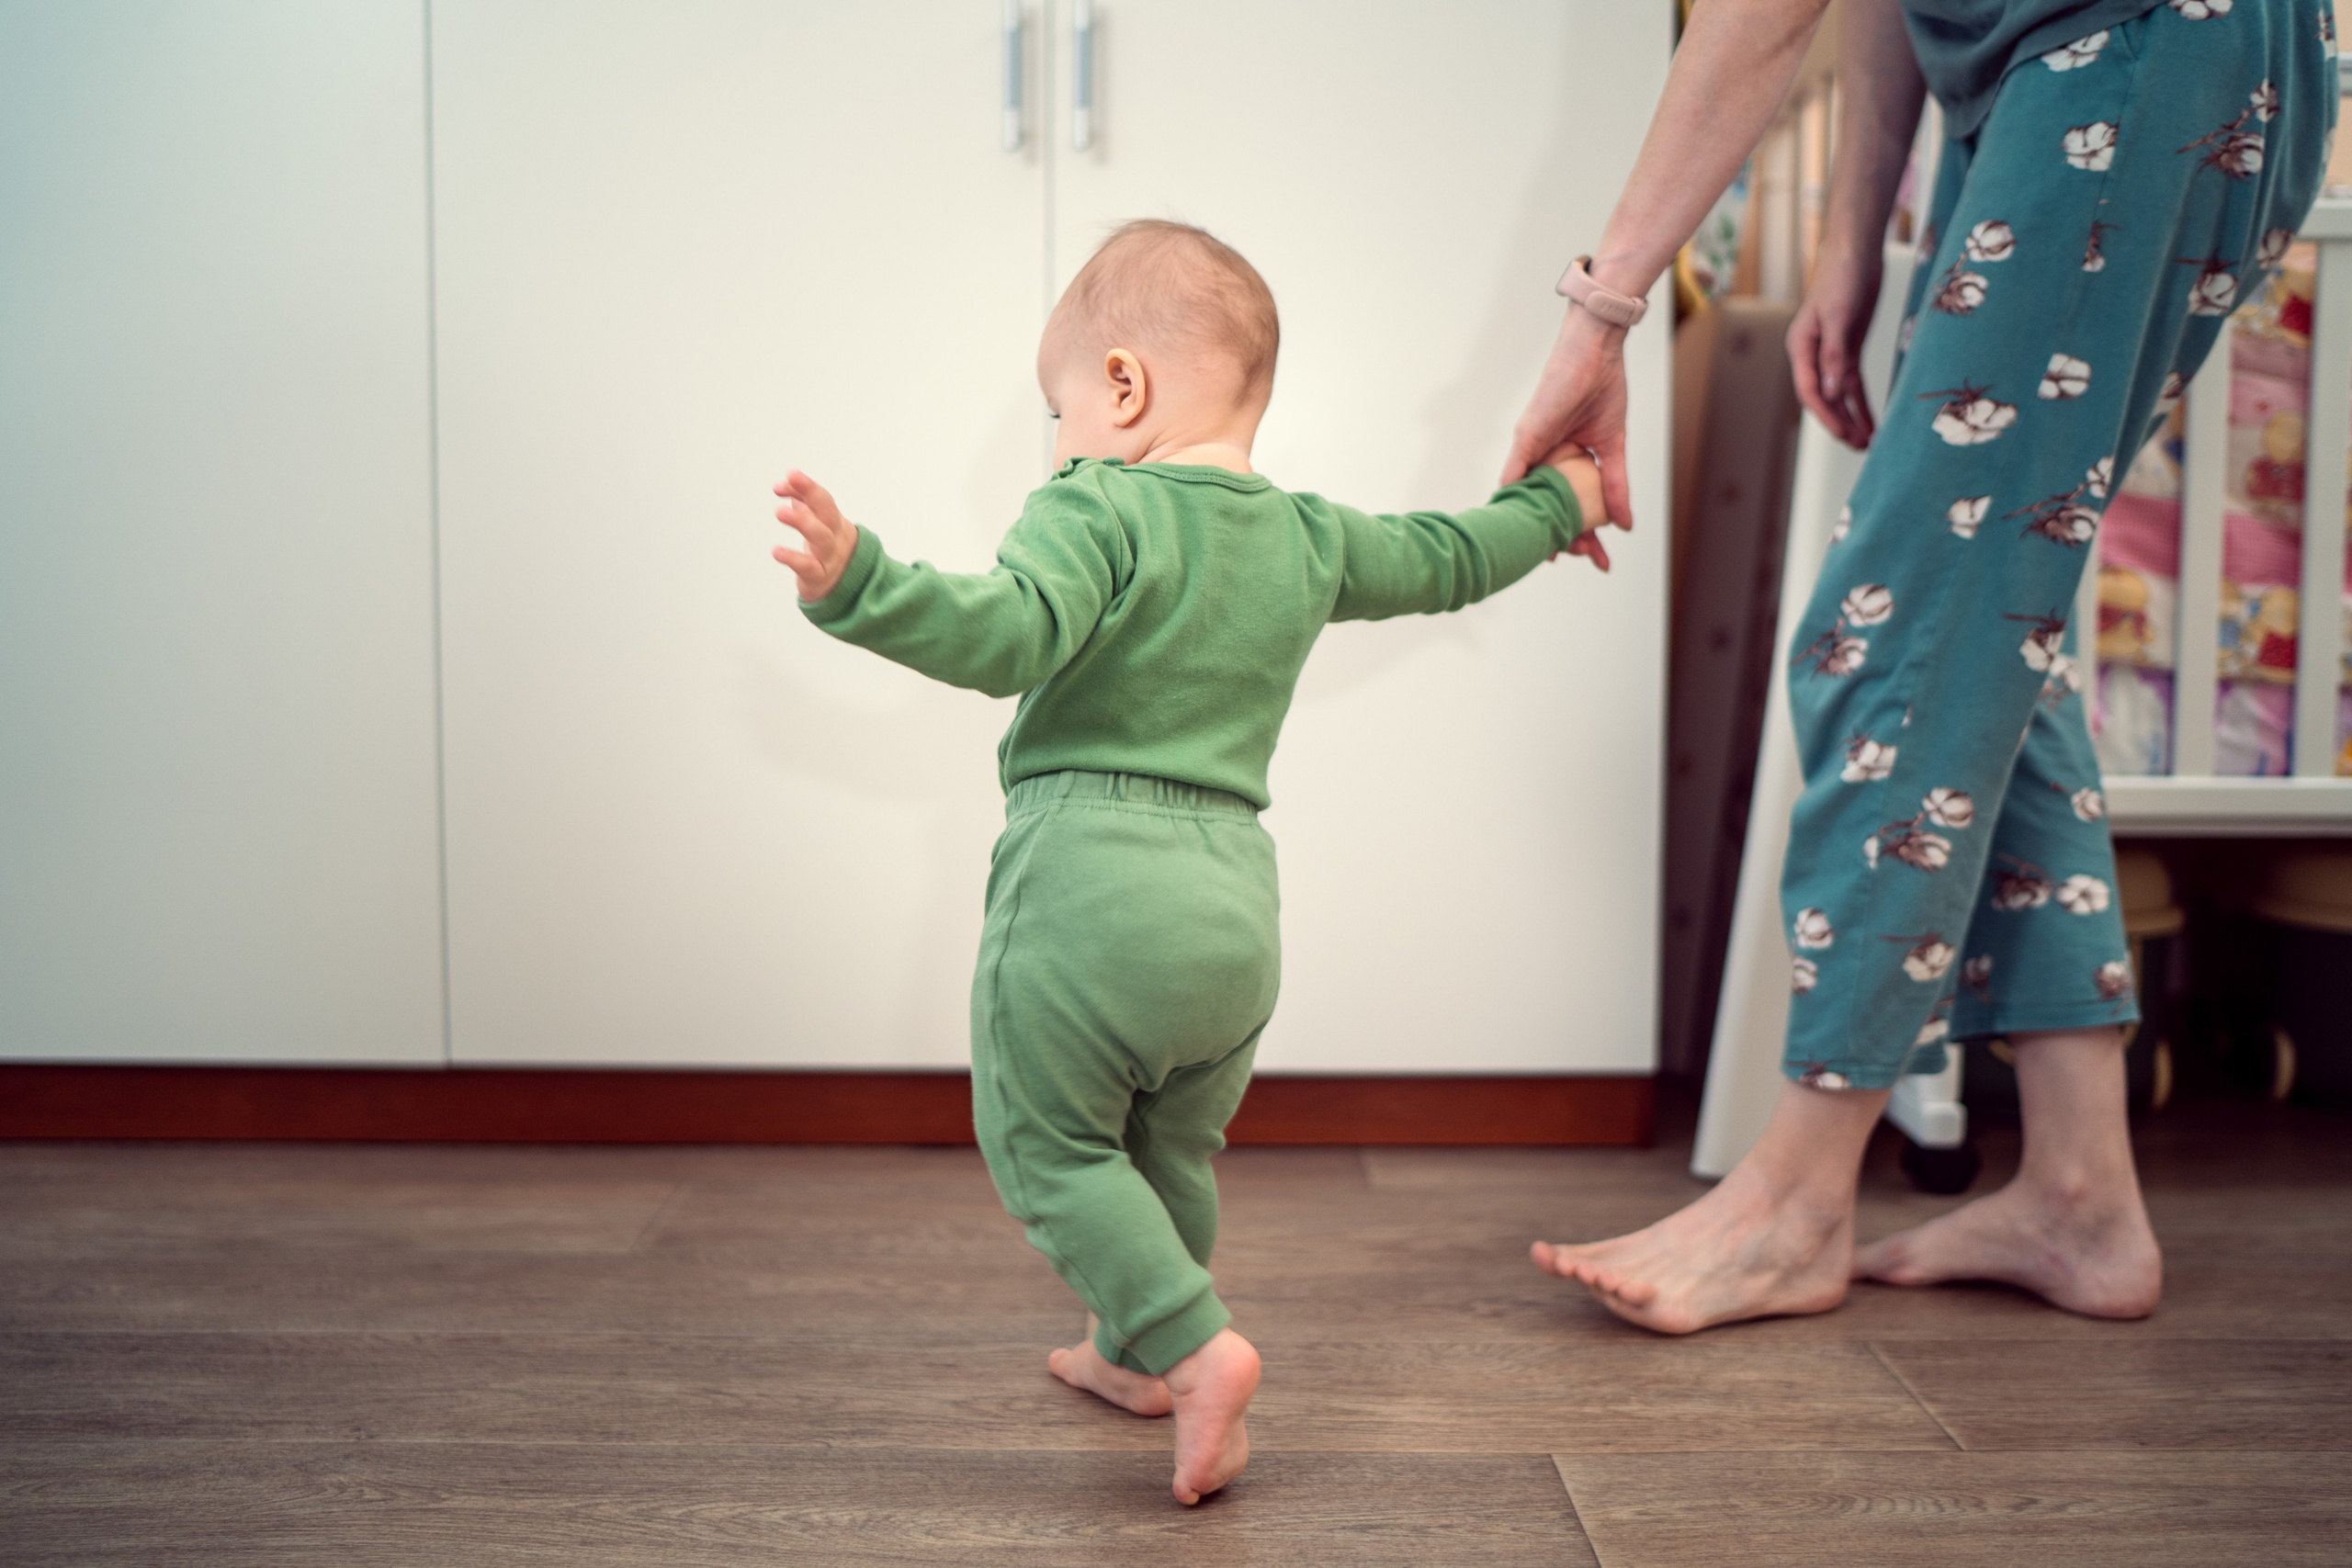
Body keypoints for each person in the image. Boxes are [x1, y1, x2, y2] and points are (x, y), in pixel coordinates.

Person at [1521, 0, 2336, 1334]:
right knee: (1988, 617)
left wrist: (1598, 313)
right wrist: (1856, 242)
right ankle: (2082, 1192)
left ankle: (1798, 1198)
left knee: (1892, 627)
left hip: (2126, 50)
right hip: (2074, 69)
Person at [769, 220, 1607, 1499]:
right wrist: (1565, 501)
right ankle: (1134, 1354)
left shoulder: (1096, 508)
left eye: (1056, 413)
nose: (1056, 443)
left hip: (1090, 890)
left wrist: (861, 583)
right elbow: (1450, 556)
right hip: (1232, 911)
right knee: (1167, 1155)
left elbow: (1006, 634)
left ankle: (1198, 1350)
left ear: (1121, 387)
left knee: (1045, 1147)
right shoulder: (1310, 537)